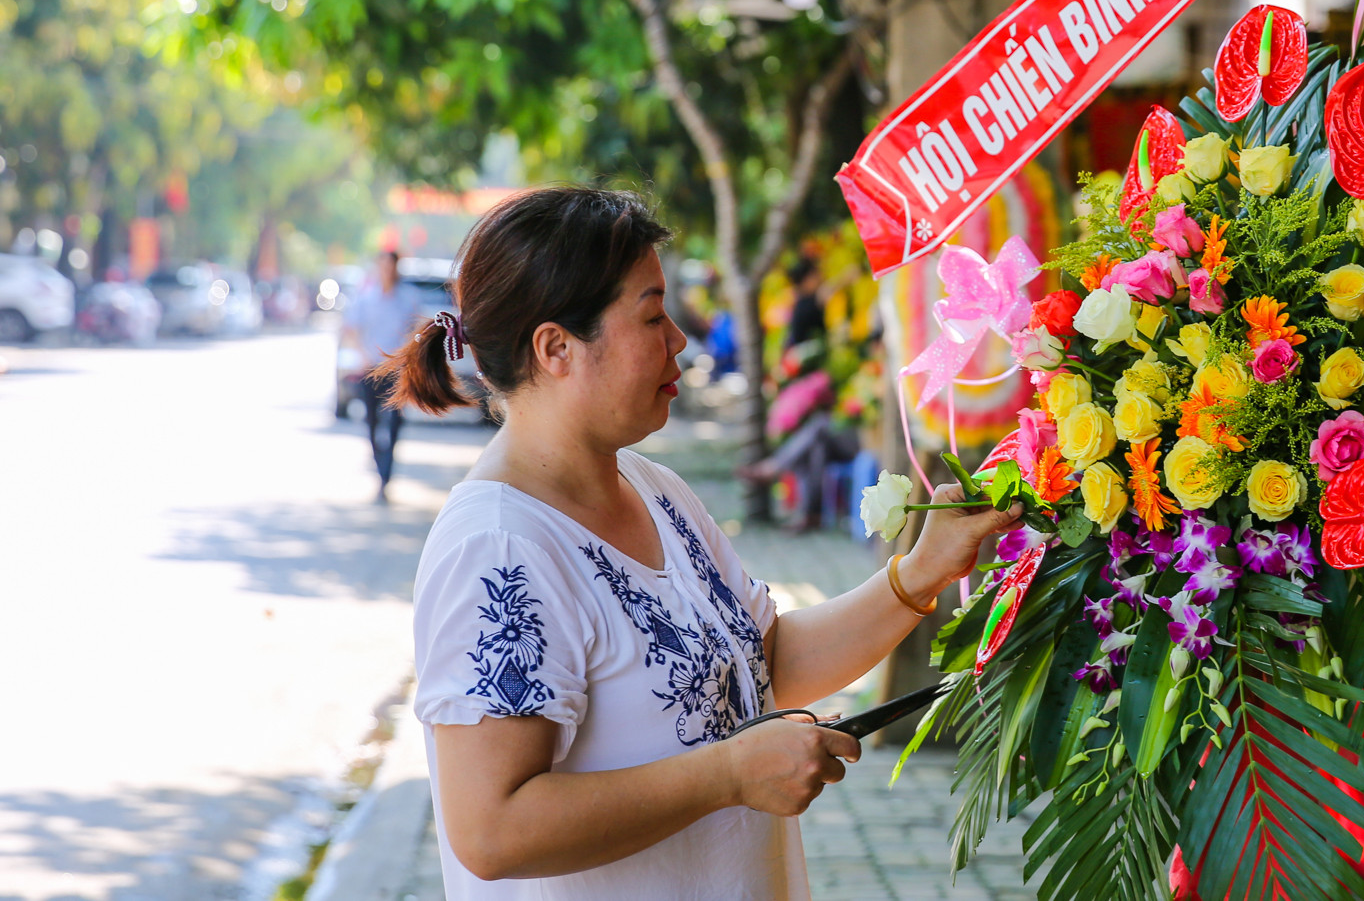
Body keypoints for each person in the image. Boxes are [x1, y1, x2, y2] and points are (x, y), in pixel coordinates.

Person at [376, 187, 1016, 899]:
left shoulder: (654, 487)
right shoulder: (496, 546)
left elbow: (761, 659)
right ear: (556, 347)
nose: (679, 338)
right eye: (651, 315)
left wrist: (918, 573)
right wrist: (731, 773)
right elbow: (491, 828)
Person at [342, 249, 428, 500]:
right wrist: (362, 354)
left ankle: (385, 476)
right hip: (370, 368)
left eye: (391, 266)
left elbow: (417, 329)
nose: (387, 271)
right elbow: (352, 329)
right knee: (371, 421)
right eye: (383, 266)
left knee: (393, 423)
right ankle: (379, 464)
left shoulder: (408, 298)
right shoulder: (366, 297)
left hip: (396, 370)